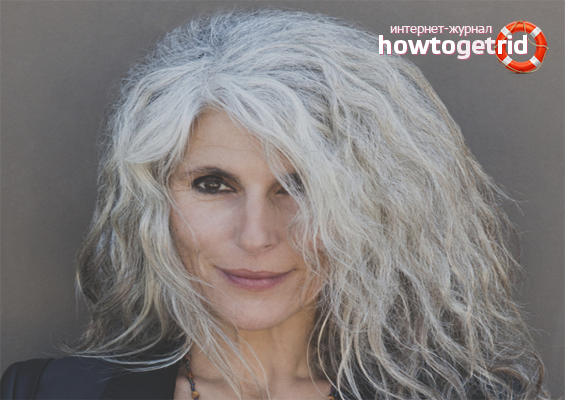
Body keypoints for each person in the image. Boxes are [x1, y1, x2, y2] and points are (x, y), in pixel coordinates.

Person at [1, 9, 551, 400]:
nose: (256, 235)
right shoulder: (42, 392)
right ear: (154, 202)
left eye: (300, 187)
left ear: (376, 210)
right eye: (212, 184)